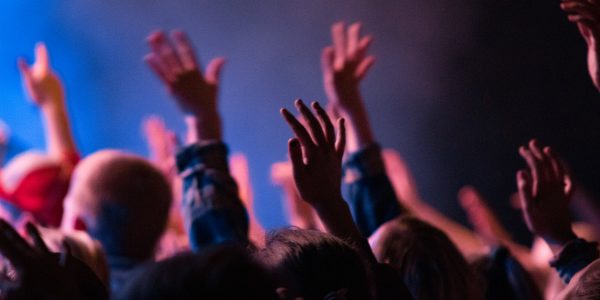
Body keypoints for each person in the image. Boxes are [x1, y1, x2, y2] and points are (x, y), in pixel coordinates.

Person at [0, 43, 80, 227]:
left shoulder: (20, 181)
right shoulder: (21, 181)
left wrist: (52, 104)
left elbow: (67, 187)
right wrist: (52, 103)